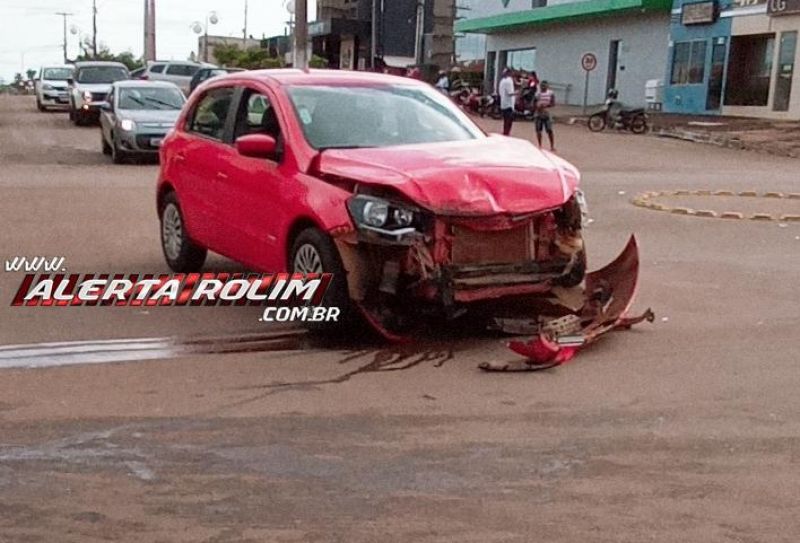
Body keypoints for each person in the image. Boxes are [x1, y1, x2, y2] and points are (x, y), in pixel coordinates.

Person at [534, 80, 556, 151]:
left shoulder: (551, 93)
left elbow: (553, 103)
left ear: (547, 86)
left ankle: (552, 146)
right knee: (538, 130)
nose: (543, 87)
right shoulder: (537, 94)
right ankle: (540, 145)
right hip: (538, 113)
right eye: (542, 86)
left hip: (547, 113)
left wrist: (546, 105)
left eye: (544, 86)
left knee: (549, 130)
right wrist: (538, 107)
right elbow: (533, 103)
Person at [498, 67, 516, 136]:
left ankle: (505, 132)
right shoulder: (509, 81)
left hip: (503, 103)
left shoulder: (502, 81)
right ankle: (507, 133)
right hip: (509, 104)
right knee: (509, 120)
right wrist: (518, 93)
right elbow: (510, 93)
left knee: (506, 120)